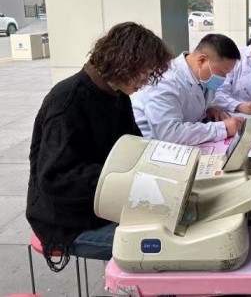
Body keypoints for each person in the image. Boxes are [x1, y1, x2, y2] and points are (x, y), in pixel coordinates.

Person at [26, 22, 173, 271]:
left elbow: (134, 146)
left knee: (173, 223)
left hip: (103, 205)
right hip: (67, 221)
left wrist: (168, 165)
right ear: (125, 61)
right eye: (144, 73)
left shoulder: (117, 96)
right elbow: (56, 178)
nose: (146, 81)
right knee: (163, 247)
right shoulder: (68, 101)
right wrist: (125, 180)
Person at [133, 33, 244, 145]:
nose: (223, 78)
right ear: (201, 60)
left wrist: (209, 108)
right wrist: (222, 129)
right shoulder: (165, 82)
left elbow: (194, 101)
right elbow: (169, 134)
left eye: (226, 74)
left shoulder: (203, 78)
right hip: (152, 147)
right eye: (221, 72)